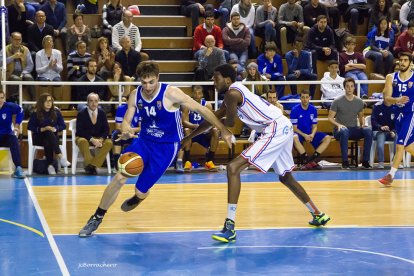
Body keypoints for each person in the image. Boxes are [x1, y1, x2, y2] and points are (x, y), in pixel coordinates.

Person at [78, 61, 234, 237]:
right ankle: (97, 217)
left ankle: (139, 197)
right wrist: (126, 129)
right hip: (144, 142)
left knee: (140, 190)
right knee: (120, 176)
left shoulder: (171, 93)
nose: (147, 86)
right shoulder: (135, 95)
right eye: (144, 82)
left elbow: (201, 110)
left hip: (166, 147)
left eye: (151, 82)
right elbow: (126, 120)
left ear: (158, 78)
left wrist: (222, 129)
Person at [184, 64, 330, 243]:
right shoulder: (234, 93)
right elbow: (213, 119)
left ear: (227, 80)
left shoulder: (232, 94)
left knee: (233, 167)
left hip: (274, 128)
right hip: (281, 126)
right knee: (286, 177)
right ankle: (318, 214)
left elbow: (228, 122)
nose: (213, 82)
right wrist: (189, 137)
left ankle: (229, 227)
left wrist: (218, 120)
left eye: (216, 78)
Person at [378, 52, 414, 186]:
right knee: (409, 146)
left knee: (399, 145)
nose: (403, 62)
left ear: (410, 63)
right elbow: (386, 98)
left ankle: (390, 176)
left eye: (406, 60)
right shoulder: (391, 77)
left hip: (411, 115)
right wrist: (397, 100)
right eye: (401, 60)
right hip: (397, 115)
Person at [328, 77, 373, 169]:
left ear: (354, 88)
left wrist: (363, 125)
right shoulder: (337, 101)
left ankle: (365, 161)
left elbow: (361, 117)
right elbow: (330, 118)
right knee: (344, 131)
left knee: (368, 130)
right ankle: (345, 162)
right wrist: (338, 125)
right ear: (344, 87)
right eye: (347, 86)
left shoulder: (359, 101)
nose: (349, 88)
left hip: (353, 129)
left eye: (351, 86)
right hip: (339, 130)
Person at [176, 85, 220, 173]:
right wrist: (195, 126)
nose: (197, 96)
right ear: (192, 94)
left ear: (202, 94)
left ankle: (209, 161)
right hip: (192, 132)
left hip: (204, 133)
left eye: (199, 93)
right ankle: (188, 162)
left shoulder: (207, 105)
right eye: (195, 93)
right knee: (186, 130)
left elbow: (211, 121)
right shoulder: (186, 105)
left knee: (215, 131)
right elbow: (184, 122)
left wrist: (205, 128)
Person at [27, 93, 70, 175]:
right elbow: (30, 127)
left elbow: (63, 125)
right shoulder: (36, 113)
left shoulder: (56, 112)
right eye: (46, 101)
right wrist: (43, 129)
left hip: (52, 138)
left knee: (49, 137)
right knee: (47, 133)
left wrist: (55, 129)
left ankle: (50, 166)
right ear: (41, 102)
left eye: (50, 101)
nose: (48, 103)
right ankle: (60, 156)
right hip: (39, 138)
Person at [290, 90, 331, 169]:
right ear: (300, 98)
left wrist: (312, 134)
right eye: (303, 97)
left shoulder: (313, 109)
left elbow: (315, 126)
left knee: (328, 138)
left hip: (310, 133)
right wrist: (304, 135)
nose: (305, 99)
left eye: (306, 97)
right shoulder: (295, 110)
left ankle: (312, 159)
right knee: (294, 137)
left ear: (310, 98)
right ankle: (307, 160)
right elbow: (294, 128)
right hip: (300, 134)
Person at [75, 93, 113, 175]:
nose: (93, 103)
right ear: (87, 102)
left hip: (99, 137)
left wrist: (101, 139)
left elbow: (106, 129)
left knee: (109, 142)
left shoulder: (102, 113)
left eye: (96, 101)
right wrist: (92, 139)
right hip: (84, 137)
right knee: (82, 141)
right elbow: (79, 131)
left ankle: (92, 166)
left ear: (98, 102)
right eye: (91, 101)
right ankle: (90, 166)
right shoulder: (81, 113)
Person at [0, 90, 26, 179]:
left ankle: (18, 168)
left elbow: (21, 110)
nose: (0, 100)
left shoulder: (9, 106)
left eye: (2, 98)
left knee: (13, 139)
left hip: (6, 136)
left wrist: (17, 124)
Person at [111, 99, 140, 171]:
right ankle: (117, 166)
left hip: (134, 132)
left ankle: (138, 164)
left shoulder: (140, 109)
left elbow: (141, 127)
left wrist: (131, 131)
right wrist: (126, 132)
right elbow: (118, 126)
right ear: (127, 101)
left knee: (142, 137)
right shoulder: (121, 109)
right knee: (116, 135)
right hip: (123, 131)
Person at [370, 101, 396, 169]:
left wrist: (393, 131)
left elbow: (398, 122)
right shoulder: (377, 106)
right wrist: (380, 127)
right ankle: (381, 162)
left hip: (391, 132)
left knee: (398, 139)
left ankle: (396, 161)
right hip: (379, 131)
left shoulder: (396, 107)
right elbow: (373, 121)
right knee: (380, 140)